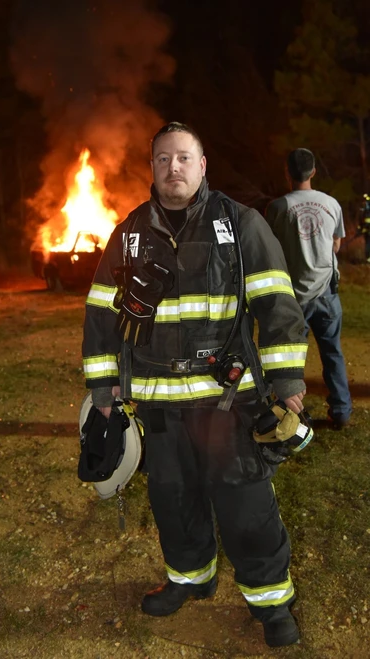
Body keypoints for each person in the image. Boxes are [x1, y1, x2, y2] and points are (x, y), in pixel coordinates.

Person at [82, 122, 308, 648]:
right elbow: (99, 313)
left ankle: (271, 599)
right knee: (172, 498)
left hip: (227, 401)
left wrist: (287, 379)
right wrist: (103, 389)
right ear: (153, 168)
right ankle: (190, 578)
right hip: (158, 406)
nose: (173, 168)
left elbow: (277, 301)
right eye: (163, 159)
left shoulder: (241, 223)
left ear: (202, 166)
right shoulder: (130, 233)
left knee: (245, 503)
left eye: (184, 158)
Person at [266, 148, 353, 429]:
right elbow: (336, 244)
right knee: (332, 353)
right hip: (326, 293)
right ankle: (341, 411)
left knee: (290, 359)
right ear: (313, 171)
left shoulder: (278, 207)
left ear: (287, 172)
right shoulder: (331, 204)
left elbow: (271, 249)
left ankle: (289, 413)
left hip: (293, 298)